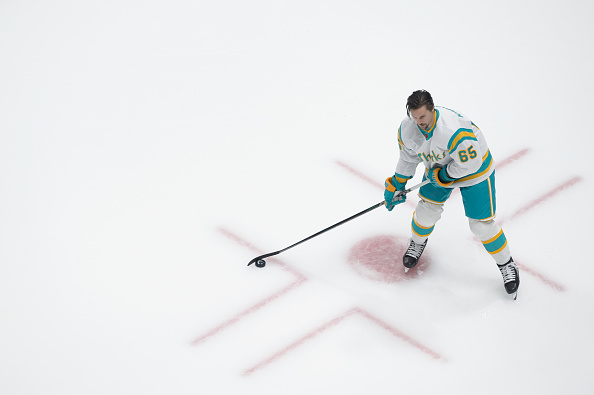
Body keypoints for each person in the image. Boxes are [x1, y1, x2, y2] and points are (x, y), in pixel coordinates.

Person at [384, 90, 519, 298]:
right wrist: (397, 183)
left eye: (423, 116)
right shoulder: (407, 129)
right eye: (415, 117)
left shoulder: (453, 130)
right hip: (438, 169)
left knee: (481, 226)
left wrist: (445, 175)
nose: (420, 122)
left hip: (475, 172)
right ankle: (417, 243)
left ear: (432, 109)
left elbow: (470, 164)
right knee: (426, 212)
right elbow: (408, 158)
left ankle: (507, 264)